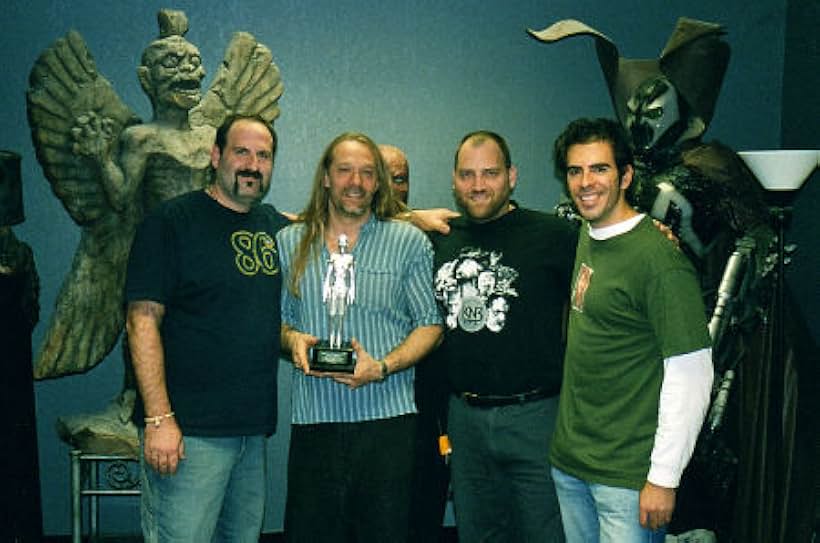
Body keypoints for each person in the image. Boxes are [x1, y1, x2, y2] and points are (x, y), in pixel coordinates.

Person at [125, 114, 289, 543]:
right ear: (216, 156)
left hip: (250, 433)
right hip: (187, 435)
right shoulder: (171, 222)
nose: (252, 164)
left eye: (263, 155)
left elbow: (339, 218)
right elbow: (141, 320)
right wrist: (159, 419)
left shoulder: (271, 225)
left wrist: (413, 218)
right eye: (241, 152)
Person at [549, 117, 713, 542]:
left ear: (625, 175)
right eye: (575, 170)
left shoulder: (659, 262)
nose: (586, 182)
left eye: (599, 169)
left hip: (626, 478)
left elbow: (691, 374)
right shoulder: (589, 234)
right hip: (571, 464)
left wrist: (664, 477)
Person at [278, 132, 443, 542]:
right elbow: (277, 324)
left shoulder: (409, 242)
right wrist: (291, 340)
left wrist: (383, 366)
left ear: (379, 182)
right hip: (315, 420)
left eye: (368, 173)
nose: (357, 181)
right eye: (345, 170)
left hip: (388, 423)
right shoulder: (289, 243)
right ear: (326, 178)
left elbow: (431, 325)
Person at [429, 130, 576, 542]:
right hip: (465, 420)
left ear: (511, 176)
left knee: (545, 533)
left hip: (535, 418)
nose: (478, 185)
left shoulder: (554, 236)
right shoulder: (439, 237)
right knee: (477, 532)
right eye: (467, 175)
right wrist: (413, 217)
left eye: (490, 173)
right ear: (455, 181)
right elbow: (364, 217)